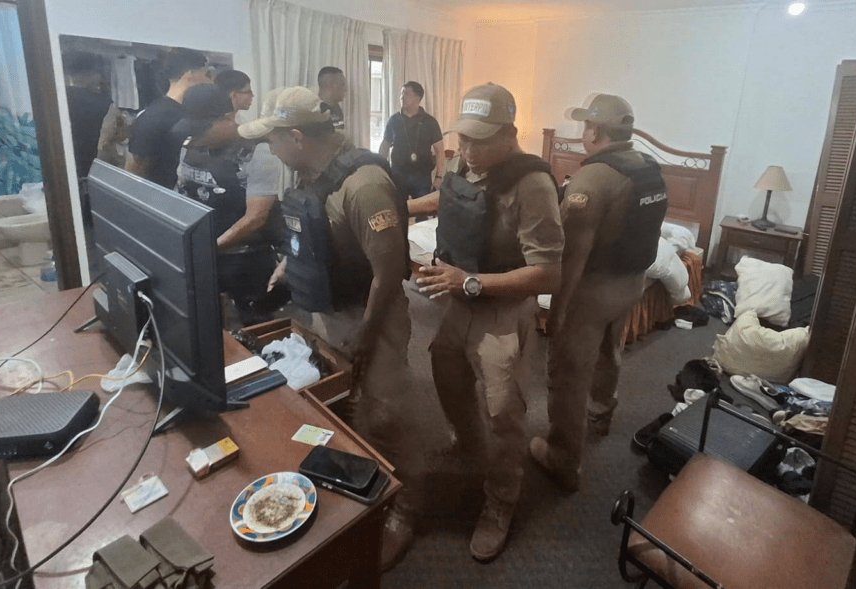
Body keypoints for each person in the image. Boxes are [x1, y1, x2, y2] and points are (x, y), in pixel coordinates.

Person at [241, 86, 418, 571]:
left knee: (388, 416)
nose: (270, 149)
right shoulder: (311, 174)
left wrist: (365, 336)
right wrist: (289, 266)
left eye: (273, 139)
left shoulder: (364, 186)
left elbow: (389, 273)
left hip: (370, 314)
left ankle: (404, 509)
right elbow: (313, 233)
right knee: (342, 405)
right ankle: (357, 486)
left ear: (297, 137)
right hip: (326, 308)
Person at [415, 83, 564, 562]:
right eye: (463, 138)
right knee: (446, 373)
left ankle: (501, 500)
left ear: (510, 133)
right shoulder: (463, 163)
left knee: (503, 413)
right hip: (458, 300)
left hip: (502, 308)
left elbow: (549, 274)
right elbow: (449, 199)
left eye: (480, 140)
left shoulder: (532, 184)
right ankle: (468, 443)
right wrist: (404, 207)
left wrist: (471, 283)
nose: (468, 150)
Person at [530, 94, 668, 492]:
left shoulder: (592, 178)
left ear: (594, 130)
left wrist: (557, 310)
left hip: (593, 290)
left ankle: (562, 458)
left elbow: (572, 257)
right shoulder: (647, 167)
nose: (583, 132)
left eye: (585, 126)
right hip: (632, 282)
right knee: (609, 350)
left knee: (568, 372)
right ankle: (600, 414)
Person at [172, 84, 276, 325]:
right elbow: (182, 191)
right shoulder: (190, 146)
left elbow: (257, 217)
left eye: (201, 130)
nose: (196, 137)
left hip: (246, 259)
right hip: (202, 256)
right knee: (206, 326)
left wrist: (210, 248)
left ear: (229, 118)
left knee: (256, 328)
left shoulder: (258, 151)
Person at [126, 47, 208, 188]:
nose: (208, 81)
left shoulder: (194, 113)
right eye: (205, 75)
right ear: (190, 75)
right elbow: (135, 170)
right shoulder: (153, 117)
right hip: (161, 196)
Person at [379, 81, 444, 198]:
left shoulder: (430, 122)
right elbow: (385, 146)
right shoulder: (394, 120)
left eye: (407, 94)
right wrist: (380, 170)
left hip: (422, 177)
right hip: (398, 176)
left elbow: (440, 151)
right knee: (398, 208)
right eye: (401, 93)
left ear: (417, 98)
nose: (402, 97)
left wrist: (439, 177)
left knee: (422, 208)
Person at [63, 52, 113, 178]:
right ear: (92, 74)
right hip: (95, 166)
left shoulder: (60, 99)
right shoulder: (104, 103)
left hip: (67, 165)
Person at [317, 66, 346, 131]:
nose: (345, 89)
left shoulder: (336, 109)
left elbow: (338, 132)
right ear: (330, 85)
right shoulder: (315, 111)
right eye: (342, 85)